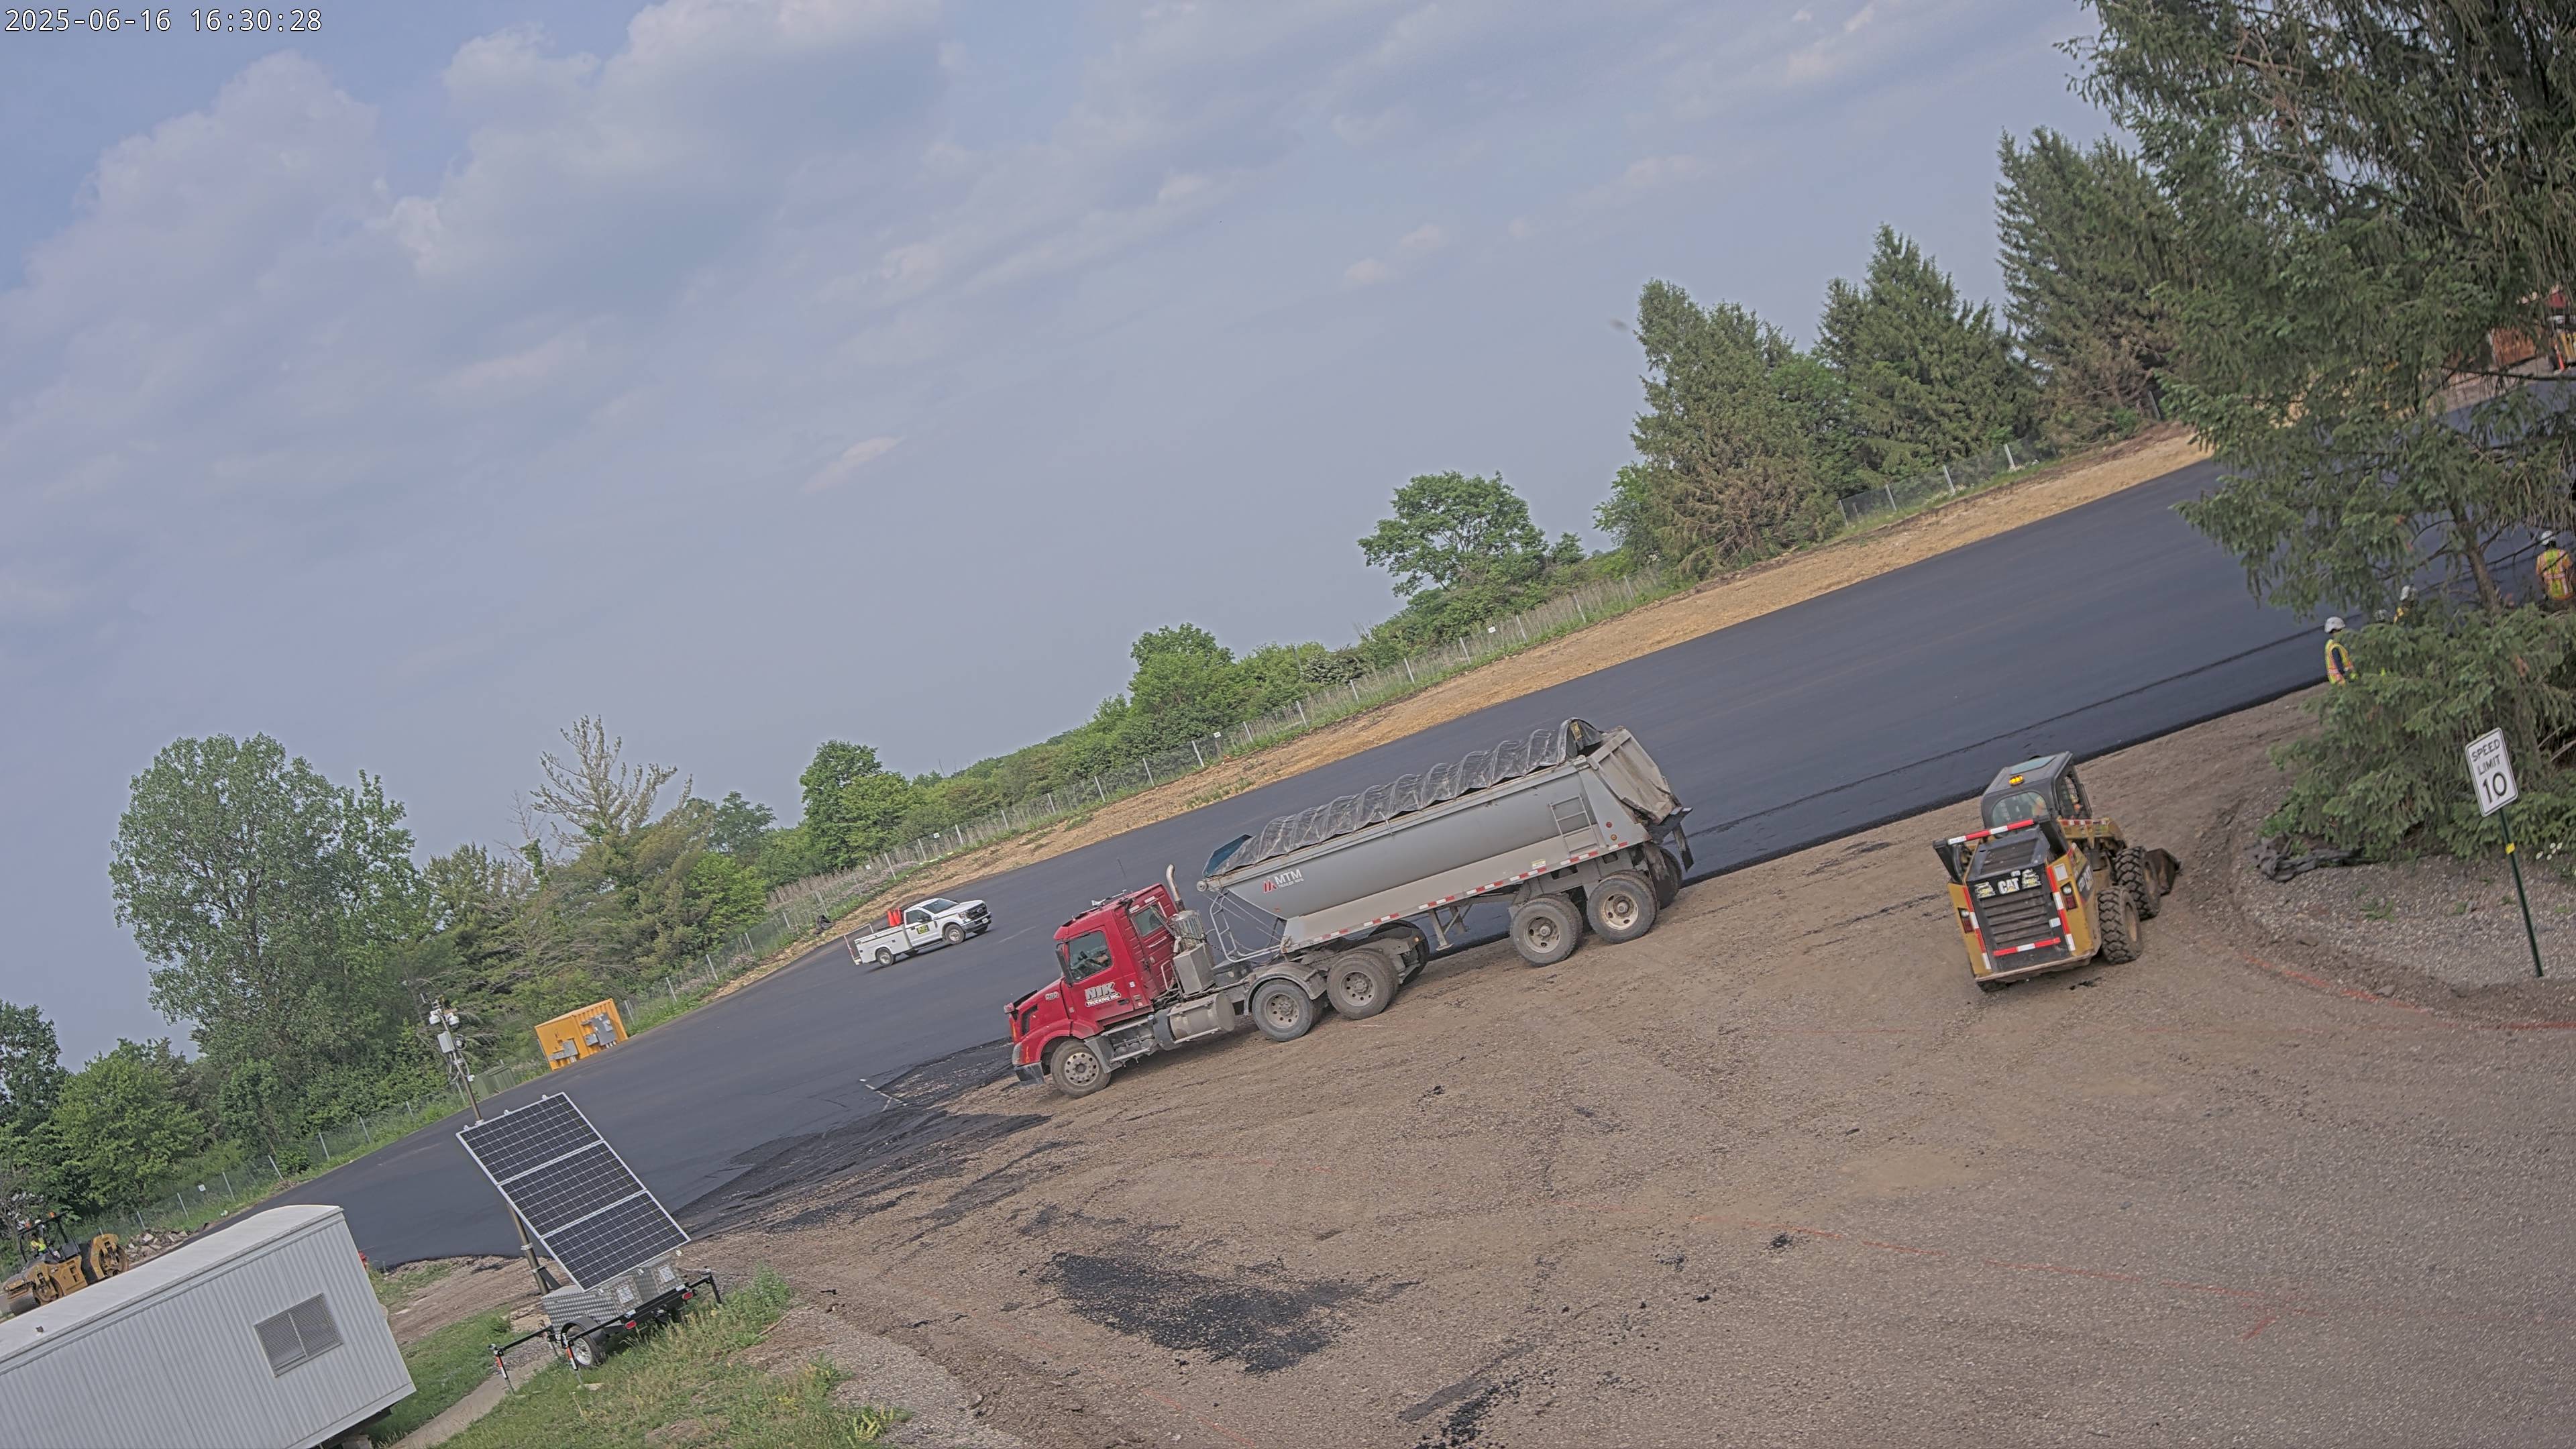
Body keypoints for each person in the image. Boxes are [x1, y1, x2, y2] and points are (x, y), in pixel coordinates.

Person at [2541, 533, 2574, 609]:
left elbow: (2540, 581)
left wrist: (2545, 595)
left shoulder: (2540, 559)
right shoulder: (2563, 554)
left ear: (2545, 545)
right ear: (2555, 542)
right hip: (2568, 596)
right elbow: (2572, 575)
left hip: (2554, 599)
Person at [2323, 618, 2354, 686]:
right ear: (2335, 631)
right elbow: (2340, 668)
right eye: (2341, 630)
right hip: (2344, 682)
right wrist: (2350, 671)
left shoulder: (2330, 645)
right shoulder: (2335, 648)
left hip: (2339, 682)